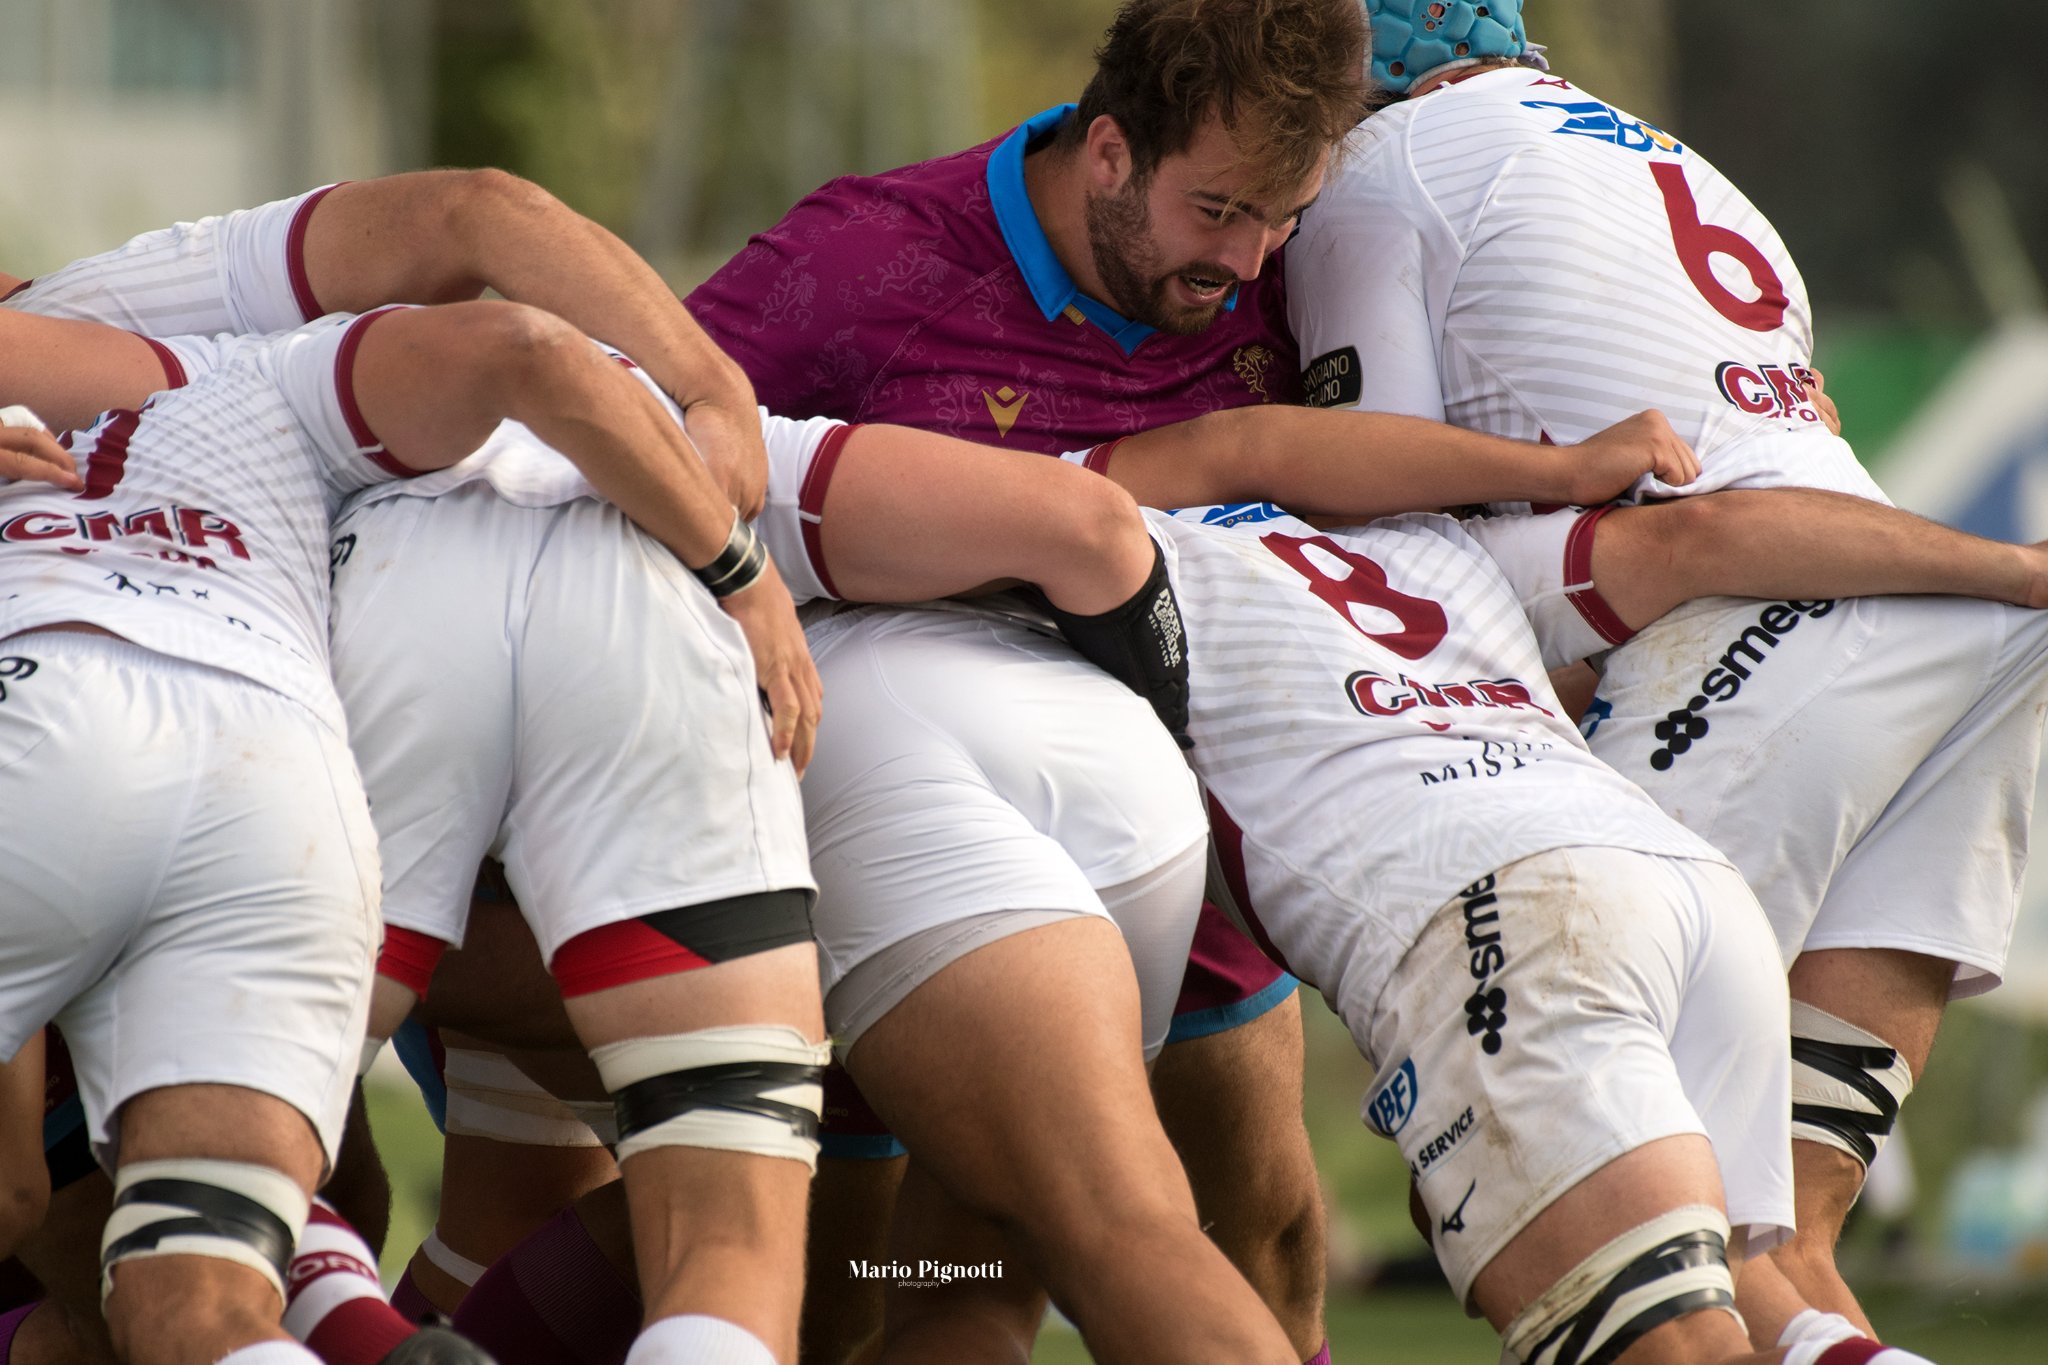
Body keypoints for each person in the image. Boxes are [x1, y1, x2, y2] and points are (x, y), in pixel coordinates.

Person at [1284, 1, 2048, 1351]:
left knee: (1576, 1198)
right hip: (1954, 652)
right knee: (1783, 1242)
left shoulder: (1377, 174)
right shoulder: (1675, 161)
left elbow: (1387, 526)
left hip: (1762, 633)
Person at [685, 3, 1374, 1352]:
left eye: (1280, 217)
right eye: (1219, 209)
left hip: (1166, 815)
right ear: (1107, 152)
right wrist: (739, 599)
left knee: (1265, 1234)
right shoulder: (857, 264)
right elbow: (644, 430)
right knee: (872, 1290)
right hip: (891, 820)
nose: (1245, 262)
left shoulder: (1302, 281)